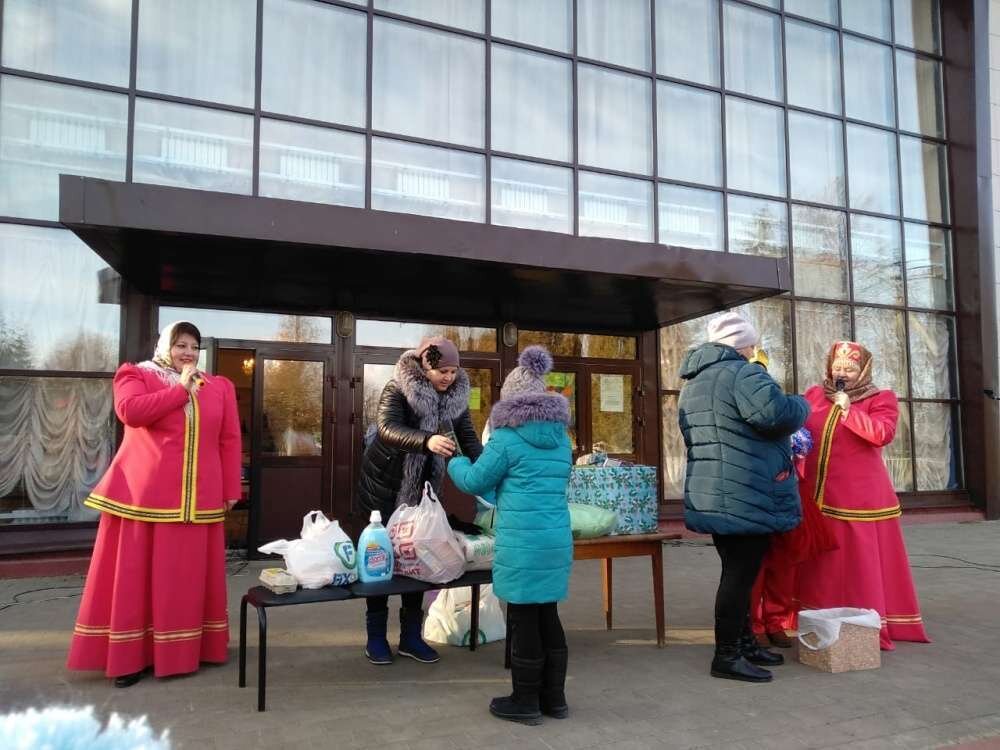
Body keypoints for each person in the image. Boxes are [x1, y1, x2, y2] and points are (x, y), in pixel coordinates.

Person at [67, 321, 240, 687]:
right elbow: (131, 412)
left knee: (187, 581)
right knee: (136, 581)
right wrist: (179, 390)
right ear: (165, 346)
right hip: (142, 501)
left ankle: (194, 649)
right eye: (181, 345)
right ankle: (131, 658)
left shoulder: (218, 387)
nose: (189, 353)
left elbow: (228, 439)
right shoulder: (135, 375)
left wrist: (229, 489)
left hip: (199, 503)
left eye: (194, 346)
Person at [677, 312, 809, 683]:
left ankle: (745, 642)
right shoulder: (743, 373)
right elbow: (777, 414)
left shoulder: (695, 382)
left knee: (738, 572)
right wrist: (801, 402)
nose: (755, 349)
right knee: (739, 576)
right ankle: (727, 655)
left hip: (716, 492)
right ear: (741, 344)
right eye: (752, 342)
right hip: (744, 491)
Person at [448, 346, 572, 725]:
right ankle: (555, 699)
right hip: (555, 541)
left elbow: (474, 481)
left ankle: (525, 700)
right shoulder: (562, 439)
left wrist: (454, 459)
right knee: (547, 613)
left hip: (522, 542)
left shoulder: (506, 438)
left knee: (522, 618)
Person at [795, 341, 931, 650]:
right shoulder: (814, 395)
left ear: (864, 370)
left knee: (858, 564)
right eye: (838, 367)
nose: (842, 373)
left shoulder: (880, 398)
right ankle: (816, 616)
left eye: (850, 368)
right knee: (821, 564)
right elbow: (801, 429)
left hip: (860, 499)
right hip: (817, 493)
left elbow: (882, 434)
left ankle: (864, 620)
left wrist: (848, 410)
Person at [356, 336, 482, 665]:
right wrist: (427, 441)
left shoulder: (455, 397)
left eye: (453, 371)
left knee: (419, 556)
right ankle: (375, 638)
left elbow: (466, 435)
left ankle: (411, 637)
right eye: (442, 370)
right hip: (384, 485)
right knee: (380, 563)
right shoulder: (398, 388)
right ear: (426, 365)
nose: (448, 377)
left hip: (424, 489)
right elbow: (387, 428)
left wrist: (485, 469)